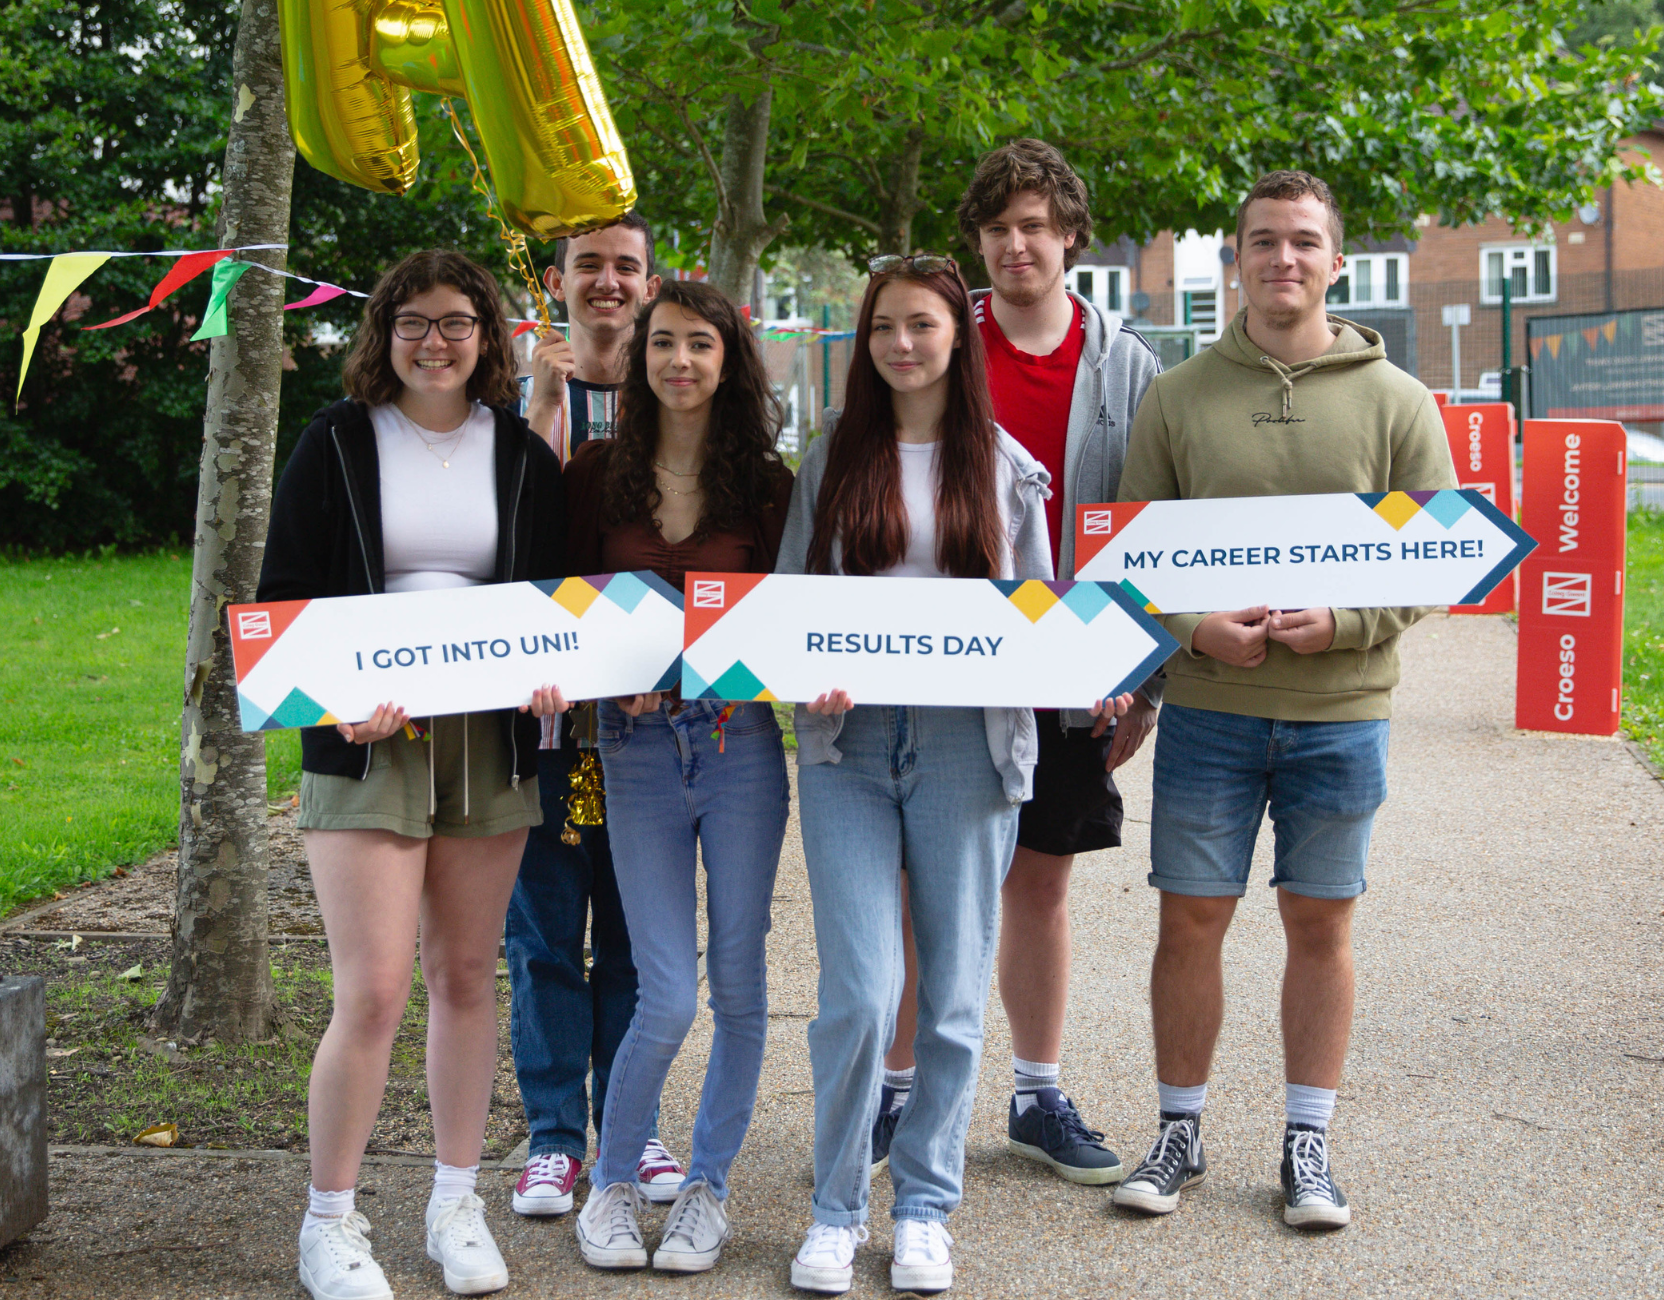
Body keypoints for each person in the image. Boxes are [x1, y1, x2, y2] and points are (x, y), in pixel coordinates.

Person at [778, 255, 1137, 1295]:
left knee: (946, 1000)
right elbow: (792, 609)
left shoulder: (1006, 468)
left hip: (965, 750)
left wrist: (1090, 685)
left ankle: (925, 1206)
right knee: (856, 991)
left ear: (955, 337)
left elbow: (1036, 620)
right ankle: (836, 1209)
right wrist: (809, 679)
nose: (901, 343)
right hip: (848, 750)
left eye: (922, 325)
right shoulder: (829, 461)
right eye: (883, 325)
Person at [1110, 170, 1457, 1230]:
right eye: (1261, 242)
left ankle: (1307, 1143)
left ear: (1333, 260)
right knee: (1191, 918)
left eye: (1302, 243)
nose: (1281, 261)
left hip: (1342, 710)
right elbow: (1129, 549)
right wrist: (1188, 630)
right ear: (1235, 261)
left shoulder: (1396, 400)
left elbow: (1437, 556)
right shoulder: (1174, 395)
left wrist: (1347, 621)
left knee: (1319, 922)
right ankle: (1178, 1130)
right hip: (1213, 706)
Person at [259, 249, 567, 1299]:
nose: (434, 341)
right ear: (382, 334)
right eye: (412, 322)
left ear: (488, 337)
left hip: (488, 740)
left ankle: (454, 1203)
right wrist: (330, 697)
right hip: (366, 733)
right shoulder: (337, 444)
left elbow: (556, 607)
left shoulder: (520, 452)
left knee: (467, 976)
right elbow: (281, 596)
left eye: (456, 322)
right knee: (376, 988)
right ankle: (330, 1224)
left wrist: (553, 677)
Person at [873, 138, 1164, 1189]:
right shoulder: (943, 343)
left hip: (1070, 671)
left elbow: (1148, 530)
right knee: (919, 886)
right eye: (997, 227)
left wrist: (1143, 680)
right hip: (946, 665)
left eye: (1035, 225)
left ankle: (1037, 1092)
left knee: (1038, 884)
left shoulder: (1125, 365)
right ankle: (894, 1094)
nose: (1015, 244)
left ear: (1070, 237)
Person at [563, 280, 795, 1274]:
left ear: (725, 358)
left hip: (742, 748)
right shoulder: (594, 474)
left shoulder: (768, 487)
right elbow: (563, 612)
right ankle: (609, 1184)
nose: (678, 362)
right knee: (663, 993)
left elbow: (788, 619)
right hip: (635, 752)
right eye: (661, 344)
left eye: (697, 344)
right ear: (637, 359)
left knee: (738, 987)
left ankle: (706, 1189)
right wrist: (608, 678)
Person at [504, 211, 685, 1221]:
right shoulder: (518, 395)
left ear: (649, 280)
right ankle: (552, 1140)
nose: (607, 282)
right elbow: (514, 532)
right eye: (589, 266)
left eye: (625, 266)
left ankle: (634, 1124)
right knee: (540, 940)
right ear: (556, 278)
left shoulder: (677, 395)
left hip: (653, 730)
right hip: (542, 729)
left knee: (636, 942)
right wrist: (539, 396)